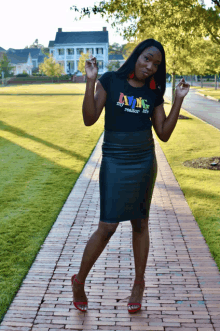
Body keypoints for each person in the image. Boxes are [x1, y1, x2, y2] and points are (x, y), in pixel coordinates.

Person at [71, 38, 190, 314]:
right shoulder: (111, 81)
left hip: (144, 160)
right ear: (137, 55)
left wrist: (179, 101)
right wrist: (90, 81)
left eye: (156, 64)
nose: (150, 67)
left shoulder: (153, 91)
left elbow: (163, 133)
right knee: (108, 226)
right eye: (147, 59)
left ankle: (138, 284)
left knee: (140, 224)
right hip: (114, 159)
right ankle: (79, 281)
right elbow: (90, 119)